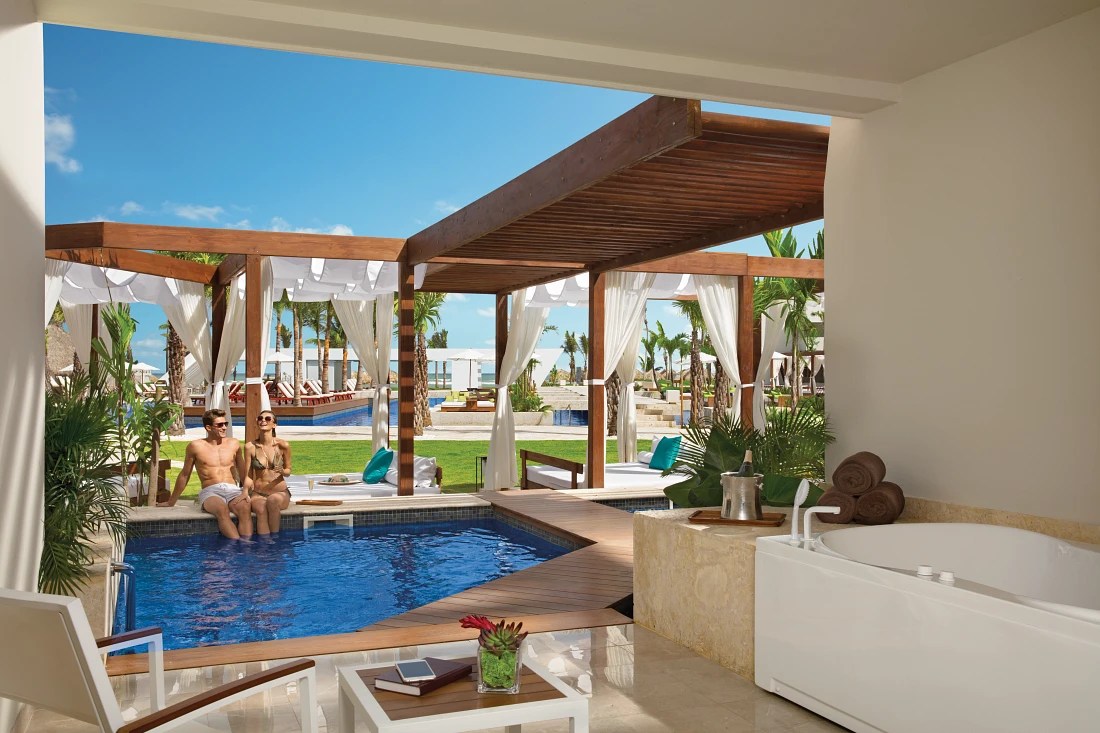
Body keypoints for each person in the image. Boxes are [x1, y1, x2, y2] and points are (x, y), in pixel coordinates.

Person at [158, 409, 253, 539]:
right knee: (222, 511)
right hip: (211, 491)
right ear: (208, 427)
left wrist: (247, 492)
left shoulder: (234, 444)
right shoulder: (195, 446)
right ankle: (237, 544)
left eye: (225, 424)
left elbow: (243, 471)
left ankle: (246, 547)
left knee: (245, 510)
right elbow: (185, 474)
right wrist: (171, 502)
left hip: (233, 490)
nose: (224, 427)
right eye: (220, 425)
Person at [243, 410, 293, 535]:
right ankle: (264, 547)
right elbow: (248, 475)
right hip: (259, 493)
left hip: (279, 492)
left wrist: (282, 471)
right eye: (260, 418)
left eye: (268, 419)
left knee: (273, 501)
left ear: (274, 425)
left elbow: (288, 471)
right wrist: (244, 493)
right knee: (260, 510)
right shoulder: (250, 447)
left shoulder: (283, 445)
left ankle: (275, 541)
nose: (263, 420)